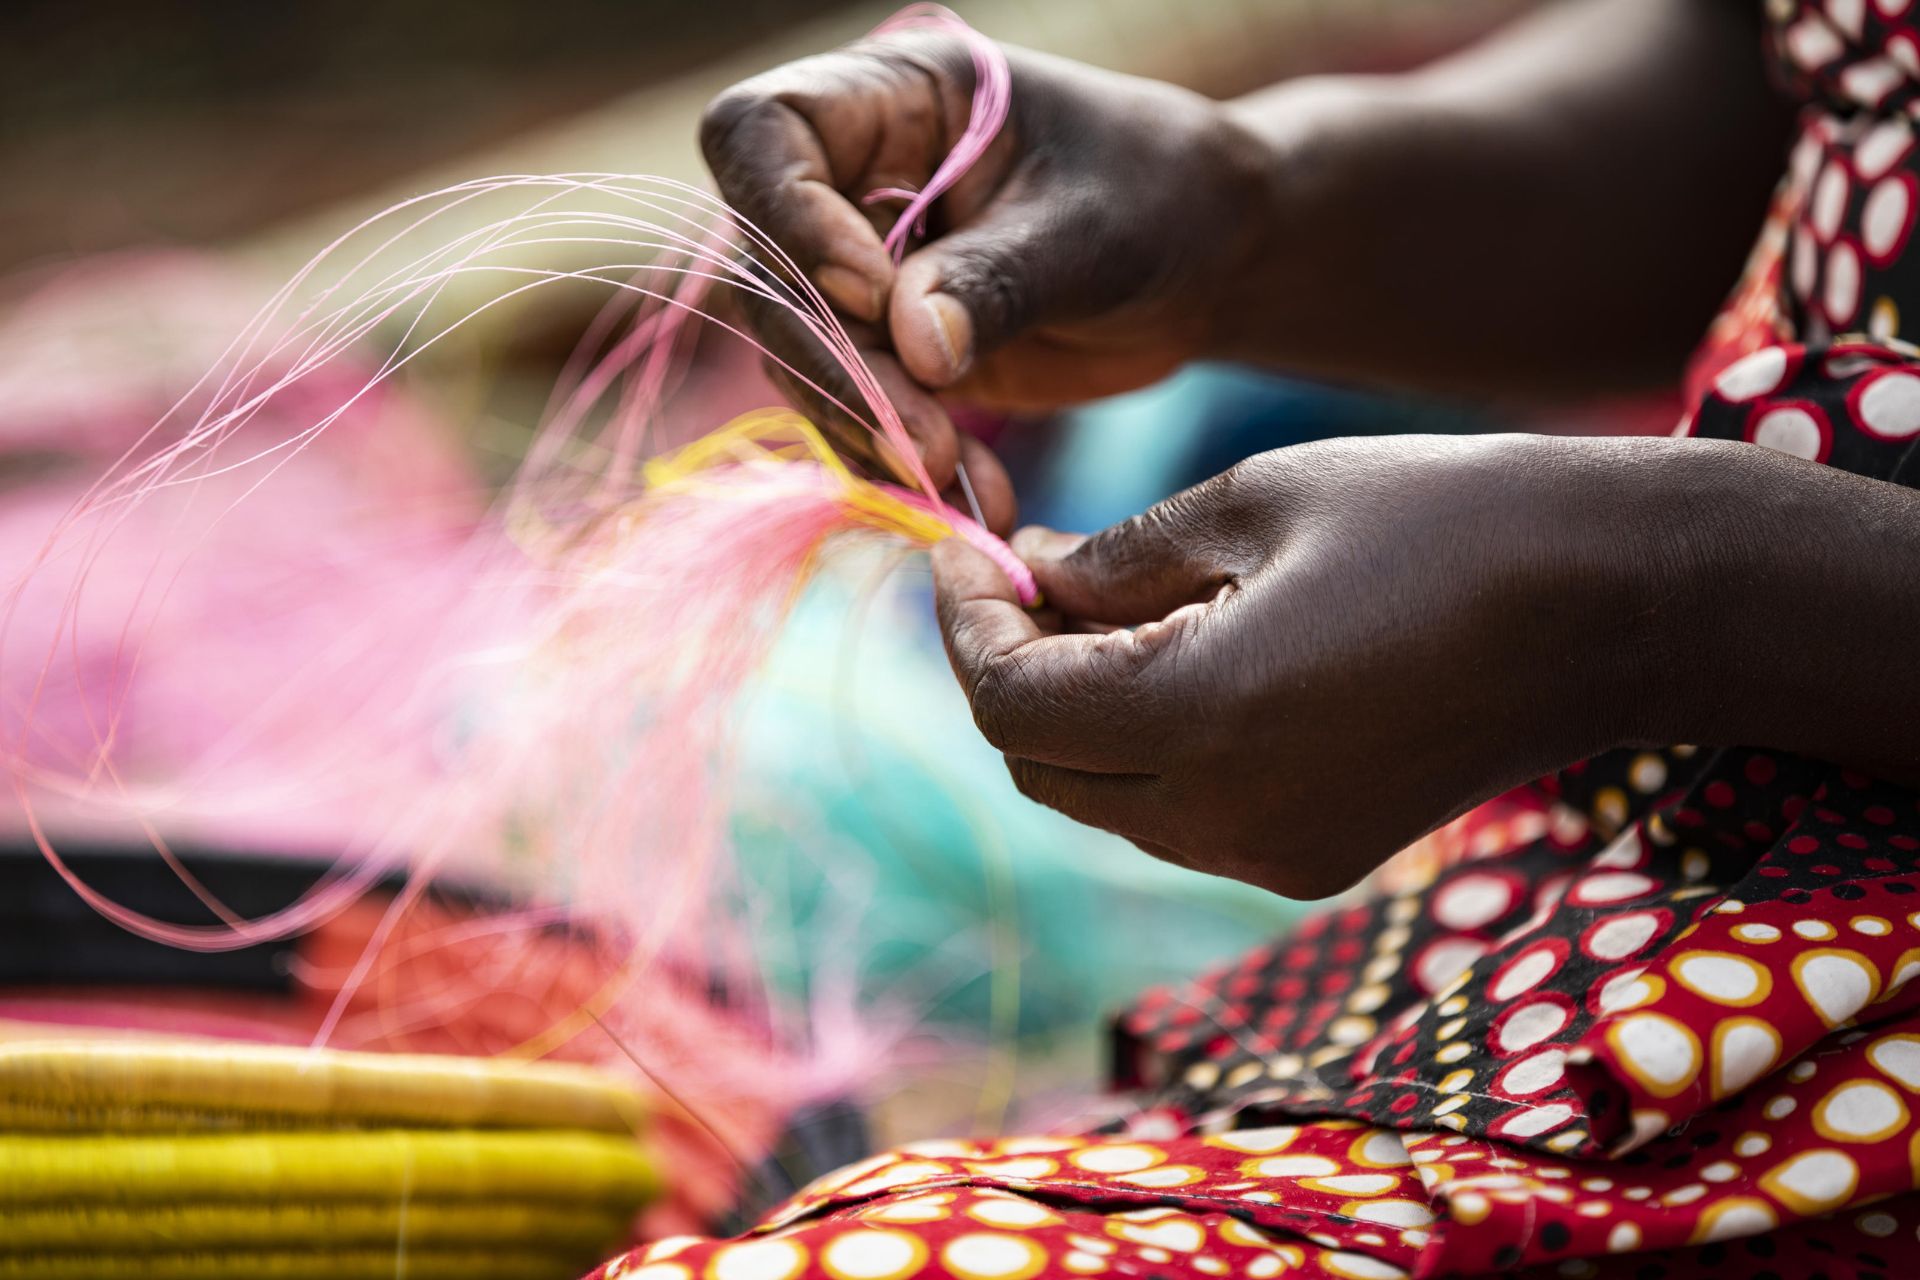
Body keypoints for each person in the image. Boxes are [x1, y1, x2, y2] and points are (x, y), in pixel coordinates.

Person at [595, 3, 1920, 1277]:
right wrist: (1247, 204)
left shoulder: (1652, 614)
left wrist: (1663, 594)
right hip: (1647, 933)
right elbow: (1792, 83)